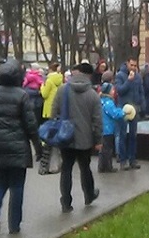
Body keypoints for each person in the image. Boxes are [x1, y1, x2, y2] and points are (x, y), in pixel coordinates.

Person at [0, 59, 41, 235]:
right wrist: (38, 147)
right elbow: (30, 124)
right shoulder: (22, 95)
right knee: (17, 187)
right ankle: (14, 225)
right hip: (18, 148)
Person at [57, 62, 102, 213]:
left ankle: (66, 202)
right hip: (85, 139)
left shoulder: (63, 90)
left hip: (65, 137)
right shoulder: (93, 95)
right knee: (85, 168)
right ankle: (89, 195)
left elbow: (54, 113)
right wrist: (98, 140)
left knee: (66, 169)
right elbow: (97, 120)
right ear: (89, 76)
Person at [114, 59, 143, 169]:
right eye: (131, 65)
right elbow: (120, 91)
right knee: (122, 135)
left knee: (133, 135)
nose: (133, 67)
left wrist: (141, 105)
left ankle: (132, 159)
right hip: (124, 109)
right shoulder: (120, 76)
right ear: (127, 64)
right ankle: (123, 160)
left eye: (135, 65)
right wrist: (129, 81)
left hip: (135, 109)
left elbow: (141, 92)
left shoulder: (138, 77)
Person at [37, 60, 64, 174]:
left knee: (48, 130)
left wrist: (42, 86)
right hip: (58, 107)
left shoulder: (48, 81)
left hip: (49, 107)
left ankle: (46, 151)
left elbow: (44, 94)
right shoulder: (60, 80)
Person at [97, 82, 125, 173]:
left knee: (102, 149)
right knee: (108, 149)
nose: (114, 91)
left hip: (101, 129)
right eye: (112, 90)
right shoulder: (109, 103)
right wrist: (123, 112)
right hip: (108, 129)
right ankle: (108, 167)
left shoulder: (100, 101)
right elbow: (115, 114)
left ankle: (101, 166)